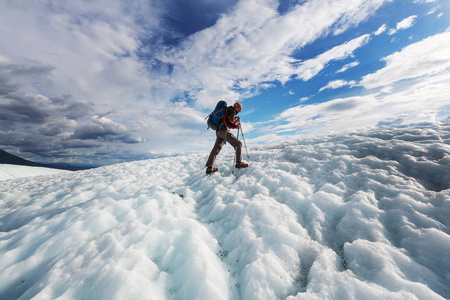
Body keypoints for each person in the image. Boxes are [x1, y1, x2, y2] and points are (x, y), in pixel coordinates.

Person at [206, 102, 248, 174]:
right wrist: (235, 126)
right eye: (240, 108)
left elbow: (226, 120)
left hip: (219, 131)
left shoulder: (229, 111)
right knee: (238, 144)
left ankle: (209, 168)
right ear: (236, 107)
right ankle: (238, 163)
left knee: (216, 149)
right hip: (224, 131)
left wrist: (235, 122)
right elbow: (226, 121)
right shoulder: (232, 111)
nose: (240, 110)